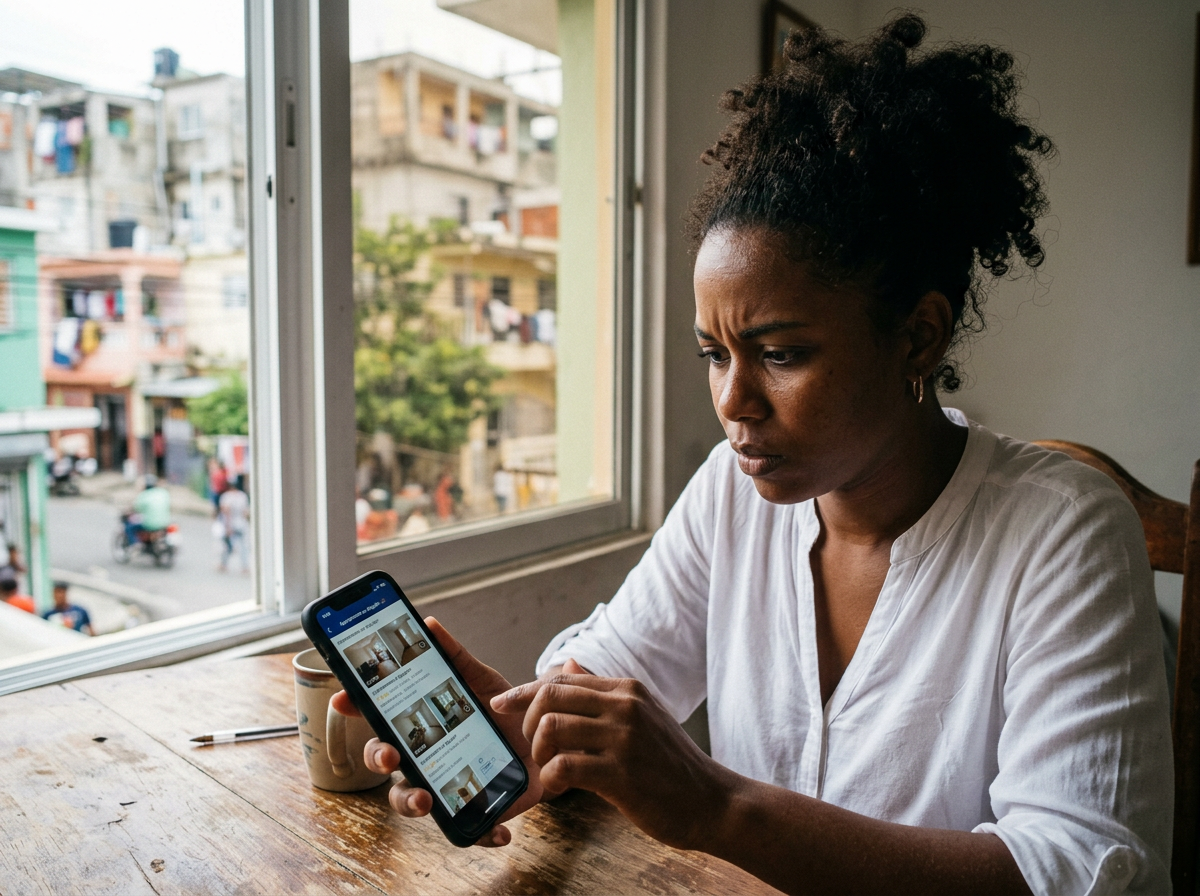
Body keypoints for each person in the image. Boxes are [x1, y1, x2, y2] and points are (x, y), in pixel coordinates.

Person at [335, 15, 1171, 894]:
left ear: (917, 337)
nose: (734, 403)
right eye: (714, 354)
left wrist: (716, 805)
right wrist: (525, 727)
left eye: (781, 354)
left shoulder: (1065, 533)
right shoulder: (734, 496)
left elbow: (1076, 870)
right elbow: (620, 670)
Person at [125, 474, 172, 546]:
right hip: (165, 523)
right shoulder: (163, 492)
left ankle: (136, 545)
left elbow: (136, 509)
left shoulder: (144, 495)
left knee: (129, 528)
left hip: (150, 525)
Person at [217, 482, 250, 573]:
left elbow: (226, 512)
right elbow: (245, 512)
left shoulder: (226, 496)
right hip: (241, 524)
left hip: (231, 524)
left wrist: (228, 527)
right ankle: (245, 567)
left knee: (228, 546)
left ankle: (223, 564)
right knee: (243, 546)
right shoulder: (243, 496)